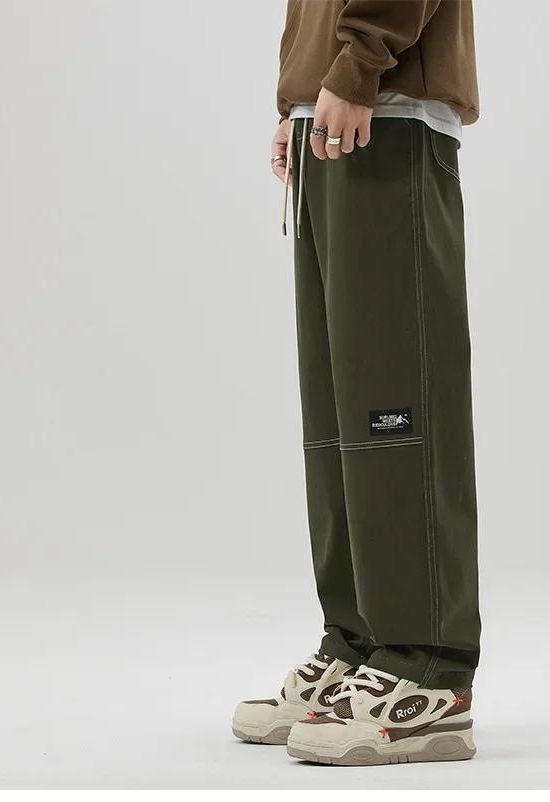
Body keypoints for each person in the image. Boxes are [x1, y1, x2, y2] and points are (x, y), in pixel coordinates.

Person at [232, 0, 481, 766]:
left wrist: (356, 66)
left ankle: (426, 666)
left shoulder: (370, 79)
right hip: (335, 115)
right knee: (341, 413)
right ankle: (360, 641)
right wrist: (299, 100)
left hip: (388, 113)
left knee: (395, 409)